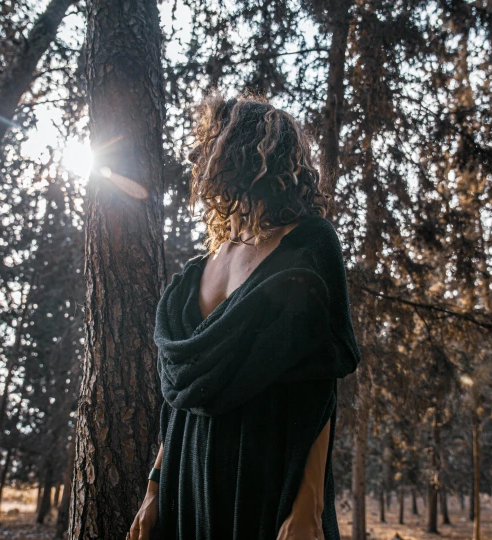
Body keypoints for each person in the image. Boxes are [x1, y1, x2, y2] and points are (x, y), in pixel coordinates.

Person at [128, 92, 361, 540]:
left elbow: (319, 385)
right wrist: (154, 488)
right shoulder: (206, 261)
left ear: (246, 153)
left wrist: (308, 503)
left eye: (212, 142)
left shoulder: (310, 242)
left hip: (268, 470)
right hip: (186, 475)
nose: (200, 157)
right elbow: (183, 395)